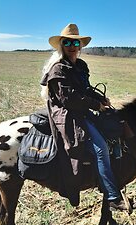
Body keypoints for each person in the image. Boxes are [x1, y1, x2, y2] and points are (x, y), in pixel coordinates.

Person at [39, 23, 131, 211]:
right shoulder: (58, 69)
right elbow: (68, 98)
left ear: (80, 45)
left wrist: (101, 99)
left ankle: (105, 179)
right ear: (61, 45)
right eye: (67, 42)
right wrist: (95, 105)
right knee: (100, 148)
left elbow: (85, 89)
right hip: (67, 113)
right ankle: (113, 197)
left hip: (81, 110)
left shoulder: (80, 65)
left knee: (113, 132)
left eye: (75, 42)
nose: (72, 46)